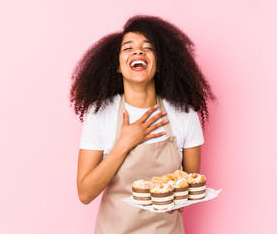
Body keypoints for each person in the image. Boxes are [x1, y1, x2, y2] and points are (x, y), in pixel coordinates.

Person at [70, 15, 215, 234]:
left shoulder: (185, 115)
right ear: (117, 66)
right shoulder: (100, 113)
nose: (138, 52)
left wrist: (175, 201)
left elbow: (190, 187)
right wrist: (124, 143)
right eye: (128, 48)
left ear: (160, 63)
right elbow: (85, 193)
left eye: (148, 48)